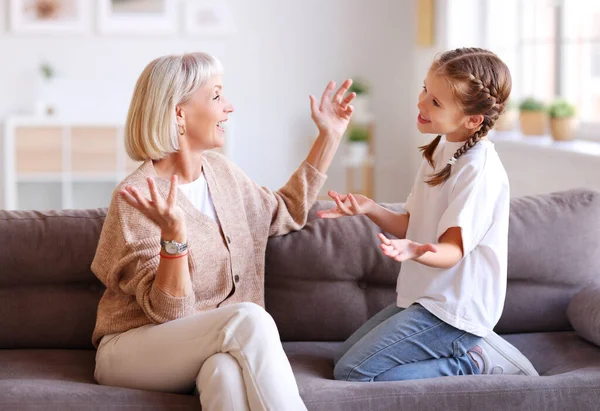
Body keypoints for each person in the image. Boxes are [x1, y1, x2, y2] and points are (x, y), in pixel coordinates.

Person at [91, 52, 355, 410]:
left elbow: (285, 210)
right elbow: (169, 314)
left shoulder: (223, 174)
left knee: (224, 374)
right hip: (133, 349)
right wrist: (174, 235)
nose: (228, 107)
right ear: (179, 112)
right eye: (216, 96)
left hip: (212, 345)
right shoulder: (137, 197)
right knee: (249, 318)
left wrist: (329, 137)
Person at [318, 47, 539, 381]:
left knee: (353, 373)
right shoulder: (441, 148)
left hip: (453, 313)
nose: (421, 103)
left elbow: (452, 250)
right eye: (425, 90)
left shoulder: (477, 170)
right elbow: (412, 223)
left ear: (473, 119)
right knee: (342, 359)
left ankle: (475, 361)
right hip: (425, 300)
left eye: (435, 102)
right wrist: (368, 207)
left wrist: (417, 250)